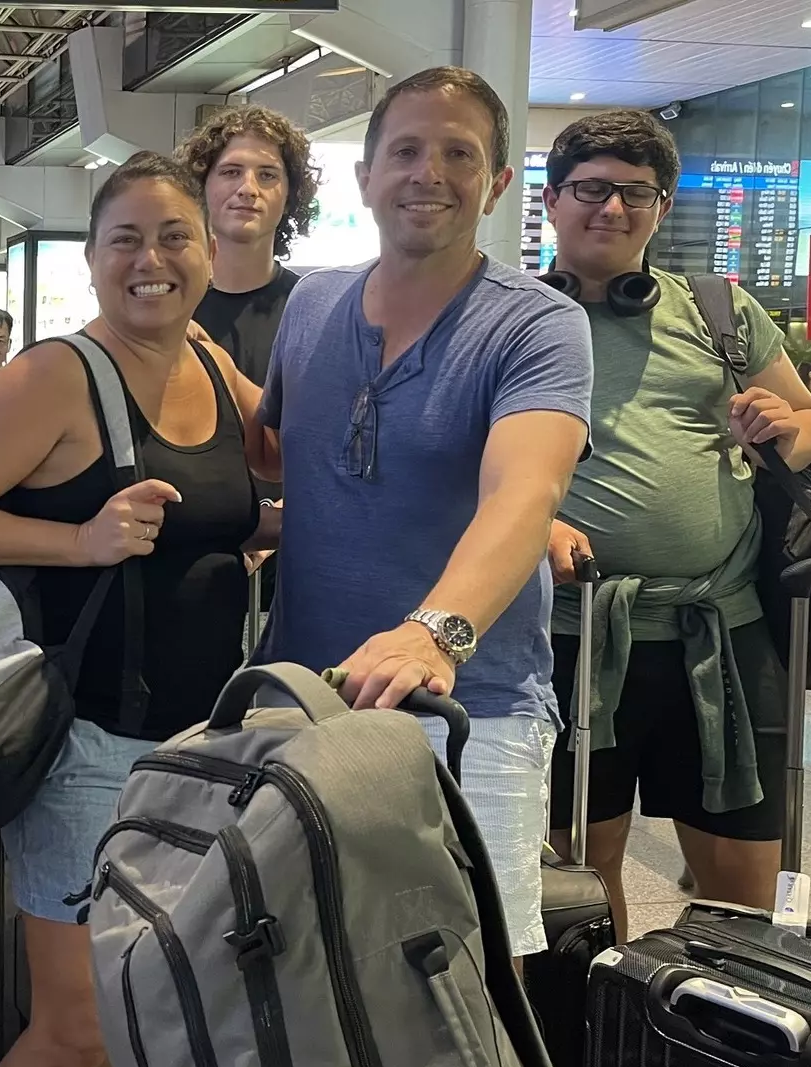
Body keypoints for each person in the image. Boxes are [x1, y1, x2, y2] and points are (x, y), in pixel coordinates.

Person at [0, 151, 271, 1067]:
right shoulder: (57, 373)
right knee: (71, 1028)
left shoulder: (212, 368)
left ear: (206, 250)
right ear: (94, 259)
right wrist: (79, 539)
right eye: (127, 240)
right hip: (89, 748)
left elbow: (268, 485)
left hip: (201, 747)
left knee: (136, 1016)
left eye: (173, 236)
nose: (152, 259)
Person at [254, 66, 595, 960]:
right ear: (365, 175)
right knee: (305, 977)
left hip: (468, 711)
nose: (428, 173)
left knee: (471, 1000)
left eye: (459, 154)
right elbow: (278, 451)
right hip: (306, 700)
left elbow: (525, 490)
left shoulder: (537, 325)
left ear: (496, 183)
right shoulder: (312, 305)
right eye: (404, 151)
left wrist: (432, 632)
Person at [538, 110, 811, 936]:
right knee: (580, 878)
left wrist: (786, 424)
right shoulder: (512, 318)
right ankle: (604, 1045)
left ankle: (724, 1046)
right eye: (590, 189)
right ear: (553, 200)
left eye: (636, 193)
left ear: (660, 209)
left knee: (746, 878)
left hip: (723, 634)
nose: (612, 209)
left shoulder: (716, 311)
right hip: (572, 635)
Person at [177, 104, 320, 588]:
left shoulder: (318, 311)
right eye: (231, 172)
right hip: (189, 555)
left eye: (267, 175)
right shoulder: (168, 313)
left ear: (290, 194)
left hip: (296, 563)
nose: (248, 188)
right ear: (202, 186)